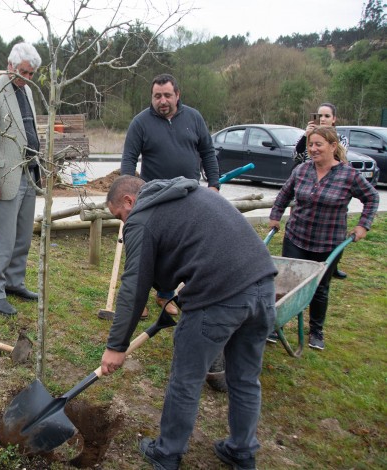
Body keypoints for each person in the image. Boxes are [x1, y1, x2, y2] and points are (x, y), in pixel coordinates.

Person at [100, 175, 277, 470]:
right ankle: (242, 451)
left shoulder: (142, 217)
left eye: (119, 215)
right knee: (244, 378)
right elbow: (203, 246)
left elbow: (134, 287)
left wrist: (116, 346)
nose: (123, 224)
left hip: (220, 295)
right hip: (263, 285)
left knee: (186, 379)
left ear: (129, 201)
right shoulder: (187, 193)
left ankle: (167, 453)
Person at [269, 126, 378, 351]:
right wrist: (275, 216)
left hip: (328, 243)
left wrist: (363, 225)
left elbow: (372, 197)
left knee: (319, 288)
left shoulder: (348, 175)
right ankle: (276, 324)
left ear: (333, 146)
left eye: (318, 144)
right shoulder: (302, 170)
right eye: (310, 145)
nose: (313, 149)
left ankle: (316, 331)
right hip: (296, 237)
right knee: (289, 284)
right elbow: (284, 194)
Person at [120, 73, 220, 318]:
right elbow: (128, 160)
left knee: (178, 249)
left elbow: (208, 152)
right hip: (154, 197)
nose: (162, 101)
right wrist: (128, 192)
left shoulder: (194, 118)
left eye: (166, 95)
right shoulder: (141, 122)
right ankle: (137, 297)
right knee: (144, 249)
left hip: (188, 196)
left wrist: (214, 185)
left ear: (177, 95)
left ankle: (165, 295)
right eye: (157, 96)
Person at [0, 42, 42, 316]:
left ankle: (14, 282)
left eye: (32, 74)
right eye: (24, 72)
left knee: (23, 235)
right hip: (5, 177)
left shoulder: (26, 92)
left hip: (29, 171)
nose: (27, 79)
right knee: (3, 237)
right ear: (10, 65)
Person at [293, 102, 350, 279]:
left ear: (334, 119)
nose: (323, 119)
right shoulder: (307, 136)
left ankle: (331, 266)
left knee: (331, 225)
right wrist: (306, 137)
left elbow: (341, 158)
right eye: (320, 116)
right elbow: (297, 157)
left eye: (327, 116)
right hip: (306, 183)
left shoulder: (341, 139)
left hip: (332, 186)